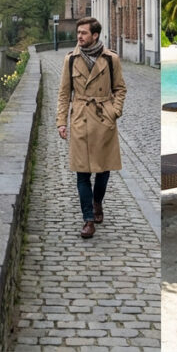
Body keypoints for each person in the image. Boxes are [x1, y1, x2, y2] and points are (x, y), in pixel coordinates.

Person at [57, 16, 127, 239]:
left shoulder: (110, 59)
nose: (79, 36)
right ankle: (88, 219)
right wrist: (61, 122)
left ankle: (97, 202)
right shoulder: (70, 60)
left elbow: (120, 89)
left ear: (95, 35)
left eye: (84, 33)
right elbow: (63, 94)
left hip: (103, 119)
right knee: (82, 173)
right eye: (78, 33)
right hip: (79, 119)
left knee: (104, 170)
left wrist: (114, 112)